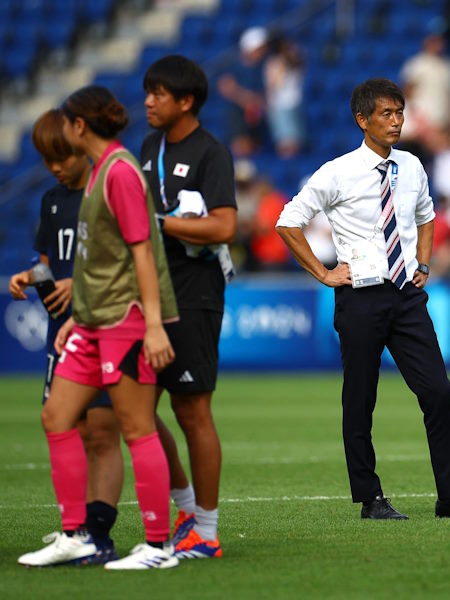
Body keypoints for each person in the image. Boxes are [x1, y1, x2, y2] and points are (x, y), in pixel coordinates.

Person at [276, 78, 450, 520]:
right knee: (361, 398)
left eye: (400, 113)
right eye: (386, 114)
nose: (396, 121)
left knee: (437, 390)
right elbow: (288, 221)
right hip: (359, 296)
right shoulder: (336, 171)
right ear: (362, 120)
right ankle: (370, 498)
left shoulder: (412, 166)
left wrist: (423, 263)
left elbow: (428, 216)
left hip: (405, 295)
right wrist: (322, 273)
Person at [17, 85, 180, 569]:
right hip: (93, 323)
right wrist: (79, 320)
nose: (63, 128)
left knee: (135, 428)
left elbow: (142, 253)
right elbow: (95, 260)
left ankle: (157, 546)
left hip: (125, 321)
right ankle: (77, 535)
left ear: (79, 126)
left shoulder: (120, 172)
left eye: (66, 121)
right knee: (57, 417)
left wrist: (153, 326)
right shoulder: (97, 174)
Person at [9, 109, 123, 563]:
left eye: (64, 156)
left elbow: (129, 257)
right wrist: (29, 275)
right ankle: (75, 529)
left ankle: (97, 532)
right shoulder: (53, 200)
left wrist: (80, 284)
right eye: (47, 159)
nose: (56, 166)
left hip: (105, 323)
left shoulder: (108, 192)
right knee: (68, 427)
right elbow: (48, 260)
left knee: (100, 432)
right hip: (62, 331)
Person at [141, 55, 237, 558]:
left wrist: (159, 225)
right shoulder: (148, 146)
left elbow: (223, 227)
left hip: (194, 294)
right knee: (133, 407)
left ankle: (208, 529)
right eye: (148, 92)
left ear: (186, 101)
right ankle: (184, 507)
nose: (148, 101)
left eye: (158, 94)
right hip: (148, 293)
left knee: (192, 410)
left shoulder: (210, 153)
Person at [217, 26, 268, 157]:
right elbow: (226, 87)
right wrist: (248, 100)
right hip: (239, 115)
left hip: (256, 116)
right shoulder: (237, 68)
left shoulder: (263, 67)